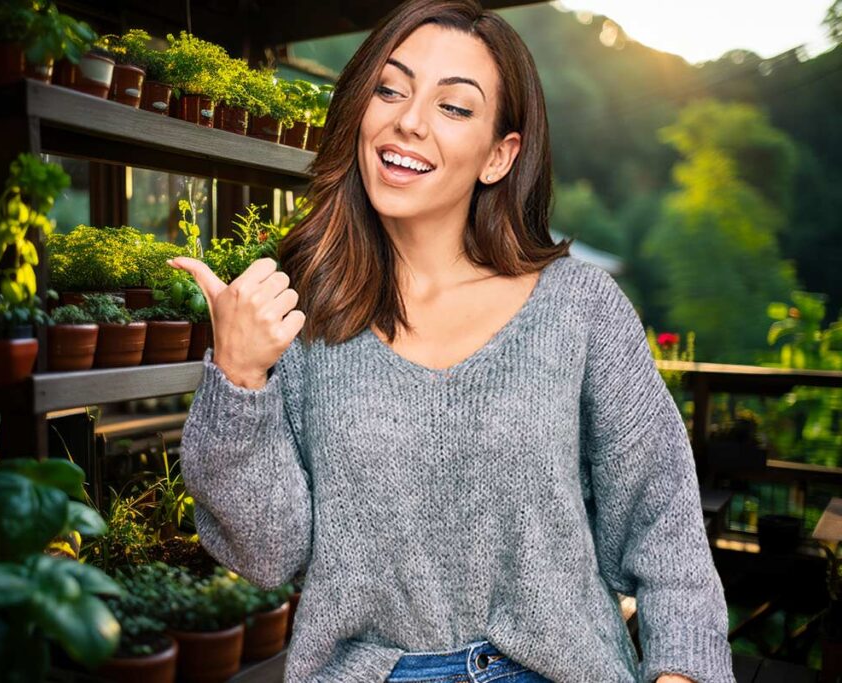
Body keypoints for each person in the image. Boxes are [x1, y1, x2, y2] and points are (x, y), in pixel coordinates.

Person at [168, 0, 734, 681]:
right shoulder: (305, 316)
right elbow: (264, 554)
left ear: (500, 155)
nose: (408, 119)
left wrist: (681, 674)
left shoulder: (580, 309)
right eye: (391, 88)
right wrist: (238, 378)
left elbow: (665, 525)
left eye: (454, 107)